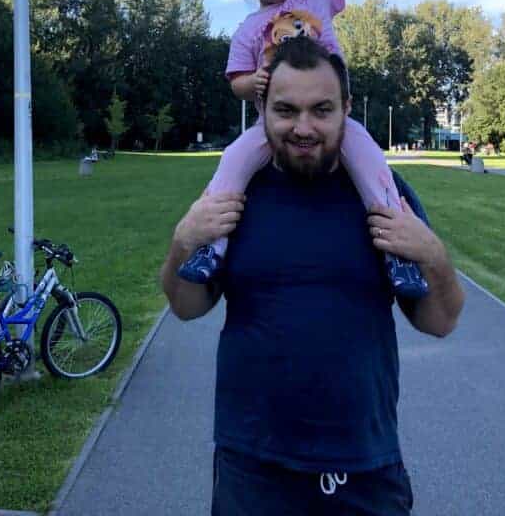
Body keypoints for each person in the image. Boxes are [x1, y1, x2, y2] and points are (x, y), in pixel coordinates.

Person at [161, 38, 465, 515]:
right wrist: (183, 241)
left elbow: (440, 321)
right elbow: (185, 306)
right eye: (286, 110)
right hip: (252, 465)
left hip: (365, 464)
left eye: (321, 110)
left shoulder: (384, 195)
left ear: (346, 109)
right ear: (262, 108)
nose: (303, 128)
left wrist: (433, 255)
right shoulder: (233, 195)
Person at [178, 0, 431, 302]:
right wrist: (251, 84)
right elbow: (236, 81)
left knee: (372, 166)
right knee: (233, 162)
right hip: (271, 126)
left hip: (334, 121)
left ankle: (398, 255)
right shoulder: (247, 31)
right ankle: (210, 249)